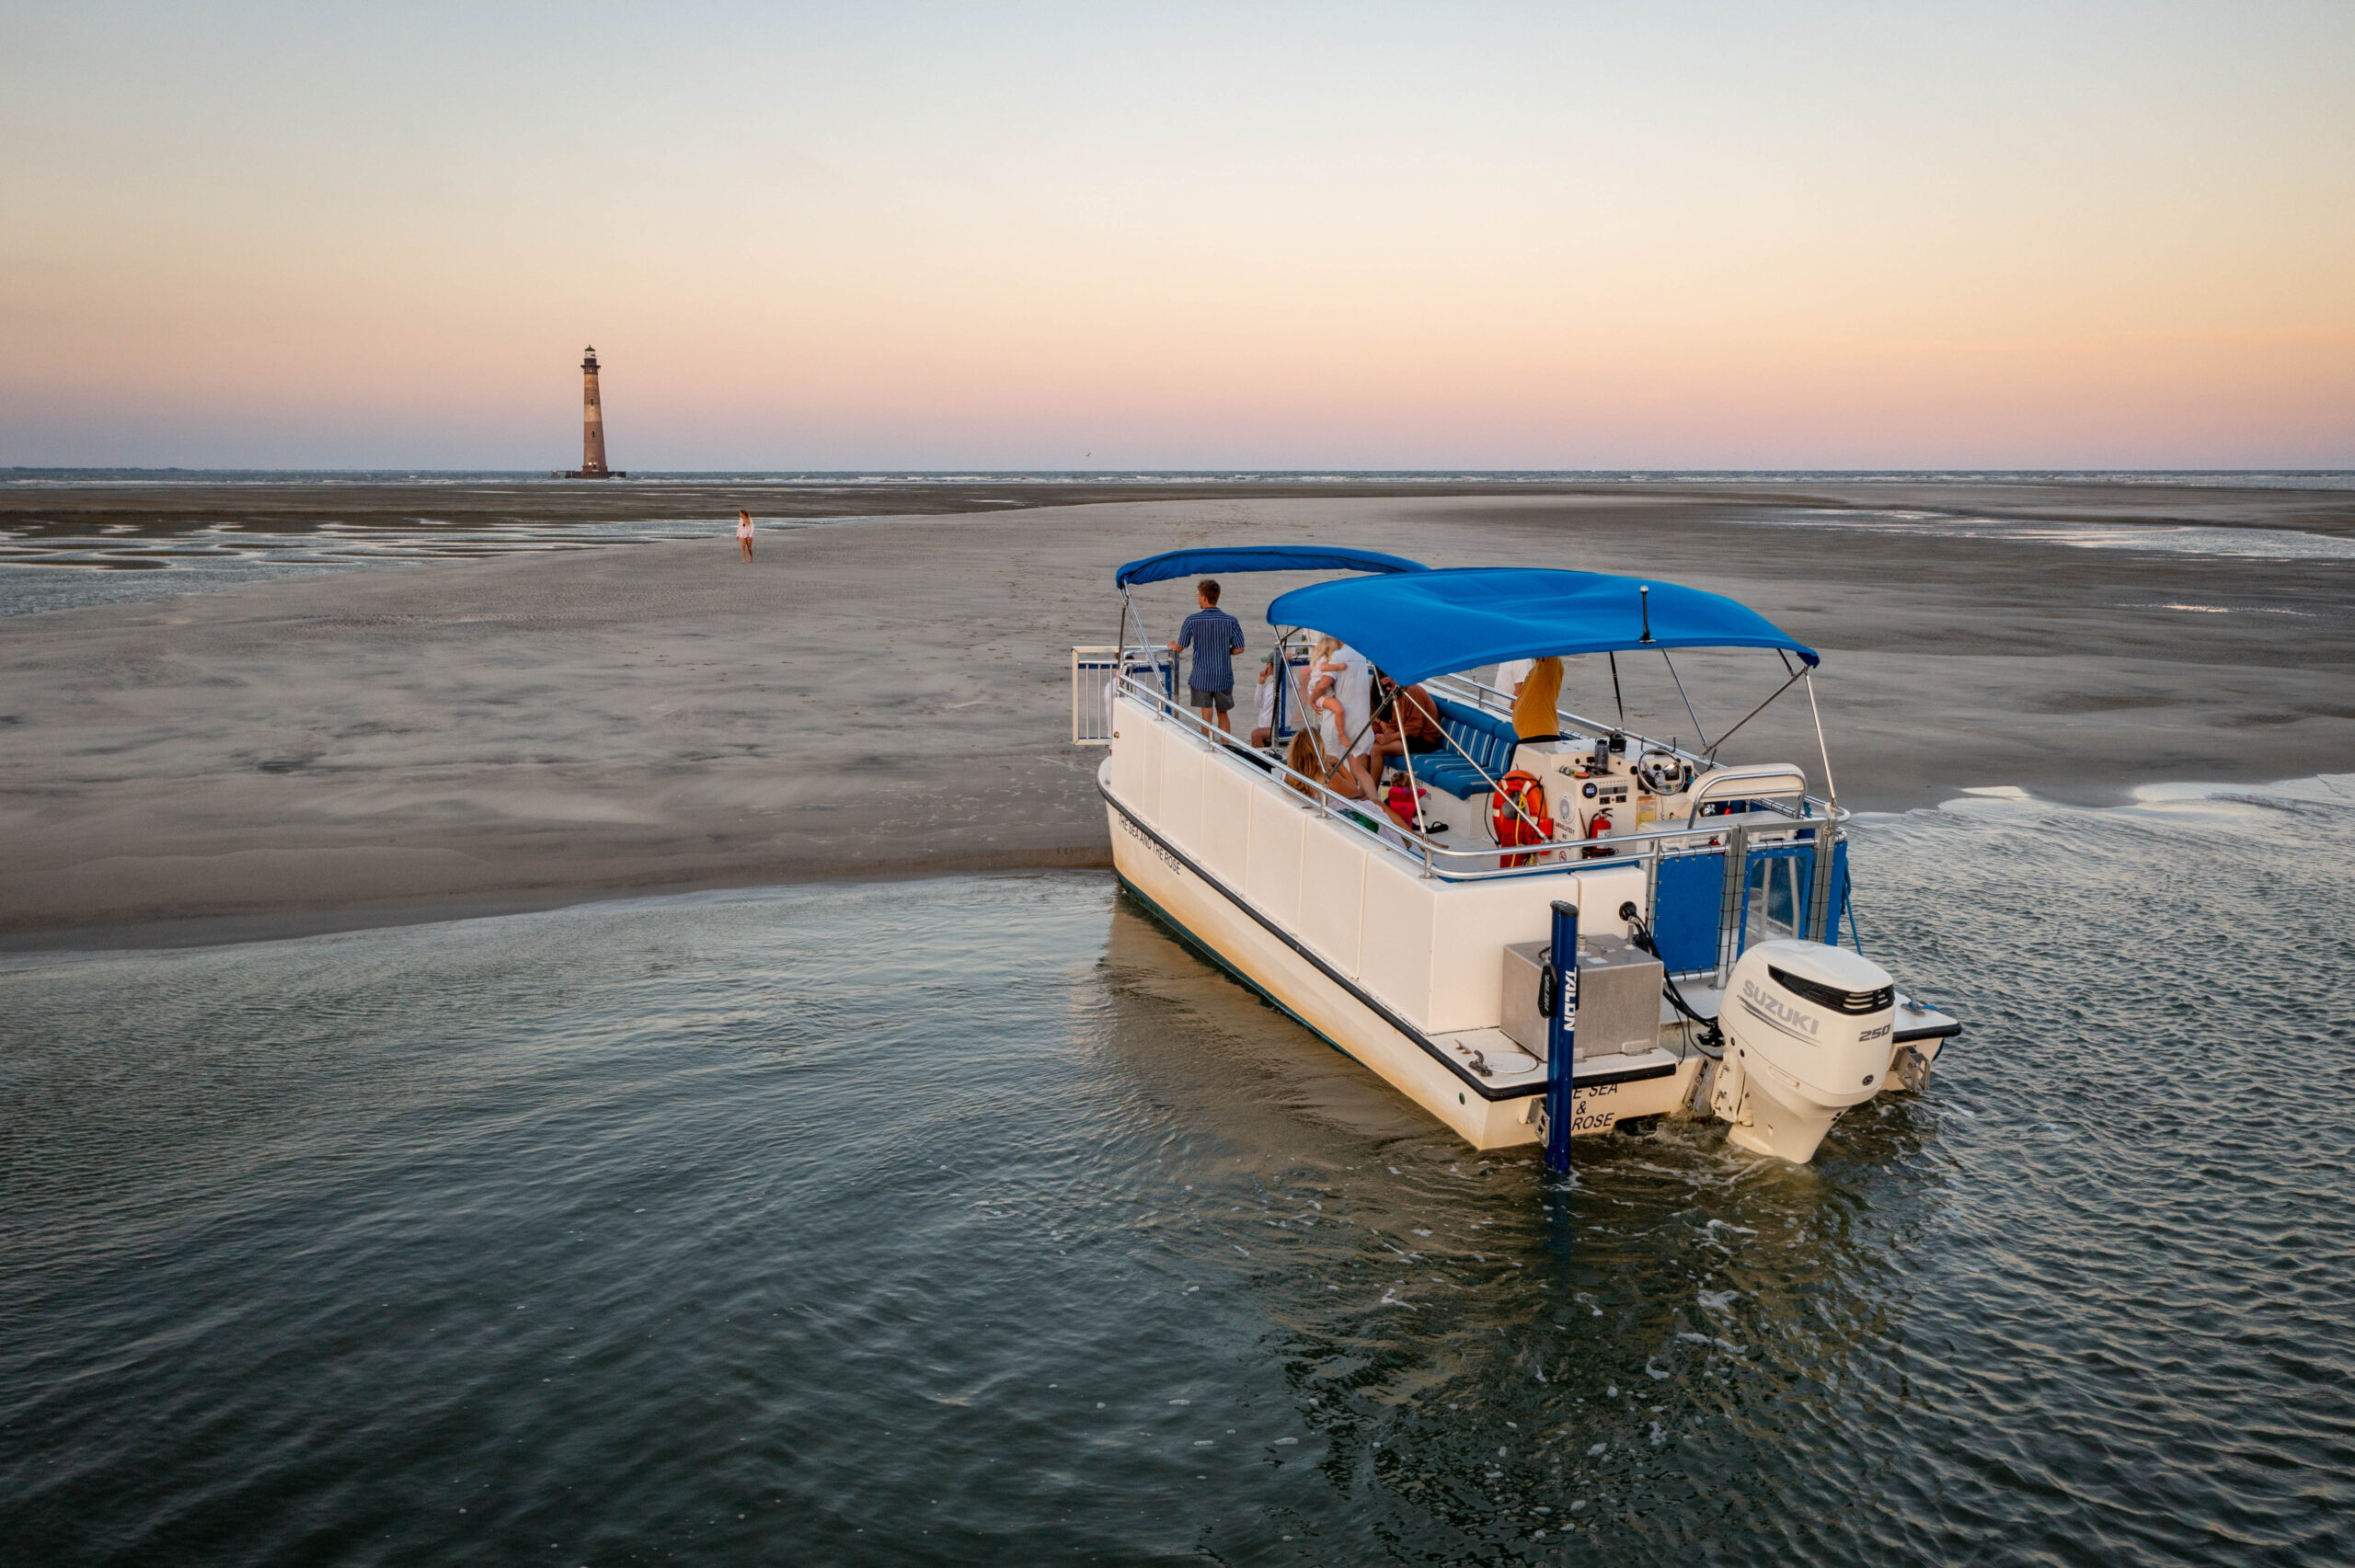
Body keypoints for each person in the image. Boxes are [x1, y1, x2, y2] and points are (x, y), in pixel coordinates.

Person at [1166, 578, 1246, 735]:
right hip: (1223, 675)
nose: (1198, 598)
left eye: (1198, 595)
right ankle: (1226, 747)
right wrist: (1224, 650)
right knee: (1223, 713)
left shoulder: (1192, 620)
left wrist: (1172, 645)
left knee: (1206, 714)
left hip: (1201, 675)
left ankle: (1207, 747)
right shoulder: (1231, 621)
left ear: (1203, 597)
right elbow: (1239, 649)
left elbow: (1181, 647)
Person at [1370, 669, 1444, 778]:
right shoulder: (1397, 694)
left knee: (1377, 749)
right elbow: (1395, 724)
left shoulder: (1413, 691)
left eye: (1389, 685)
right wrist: (1385, 736)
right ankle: (1365, 788)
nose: (1388, 689)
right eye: (1386, 687)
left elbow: (1414, 728)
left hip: (1424, 740)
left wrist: (1390, 738)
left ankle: (1371, 793)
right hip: (1409, 735)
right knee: (1370, 742)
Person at [1512, 655, 1564, 739]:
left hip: (1541, 736)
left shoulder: (1551, 663)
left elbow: (1547, 647)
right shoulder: (1536, 669)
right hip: (1531, 736)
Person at [1248, 650, 1281, 749]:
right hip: (1264, 725)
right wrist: (1261, 683)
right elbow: (1258, 703)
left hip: (1273, 727)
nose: (1266, 666)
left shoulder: (1283, 684)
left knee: (1256, 735)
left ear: (1272, 665)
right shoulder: (1271, 683)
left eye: (1268, 663)